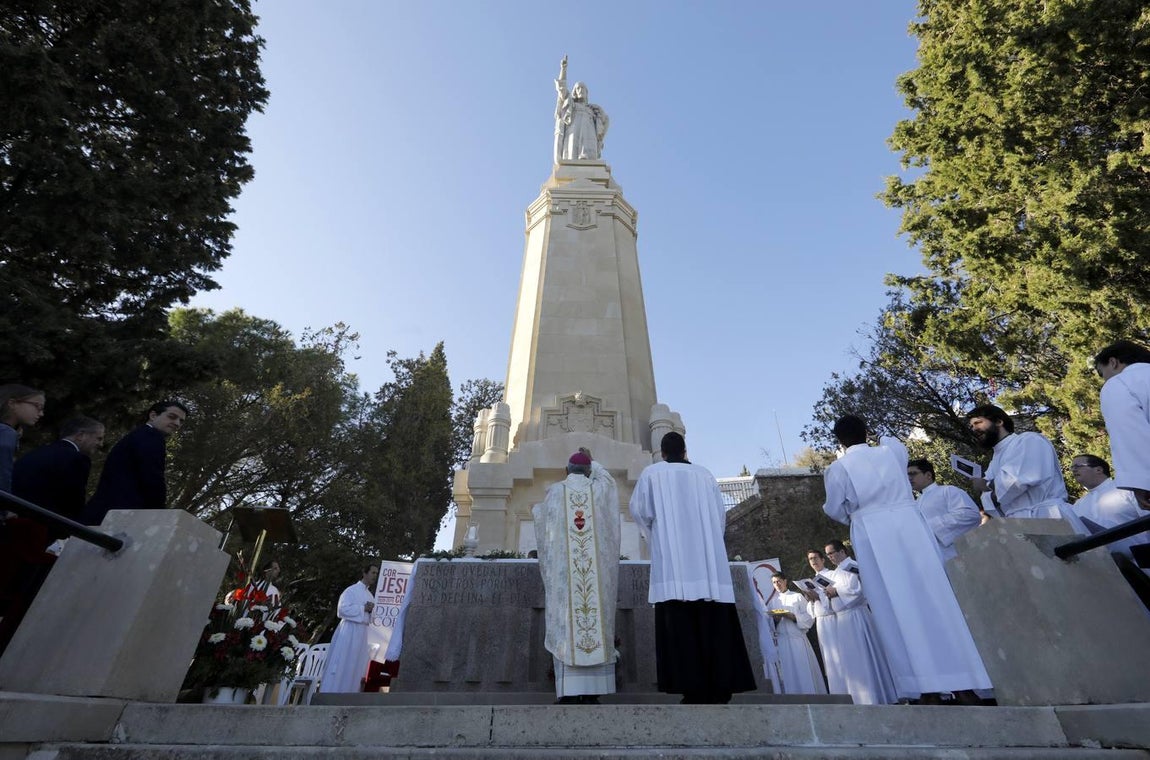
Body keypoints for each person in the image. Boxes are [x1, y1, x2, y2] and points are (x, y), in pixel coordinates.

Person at [822, 415, 990, 704]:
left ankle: (921, 686)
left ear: (839, 441)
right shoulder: (891, 452)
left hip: (872, 531)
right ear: (866, 432)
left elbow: (835, 508)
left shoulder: (838, 468)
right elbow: (895, 444)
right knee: (933, 596)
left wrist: (859, 512)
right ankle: (964, 679)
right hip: (909, 526)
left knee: (893, 606)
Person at [628, 431, 756, 704]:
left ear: (662, 453)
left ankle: (692, 688)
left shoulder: (652, 475)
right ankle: (722, 686)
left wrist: (654, 536)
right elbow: (719, 516)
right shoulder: (705, 475)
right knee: (714, 623)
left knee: (681, 626)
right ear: (685, 451)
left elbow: (640, 511)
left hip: (674, 565)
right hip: (708, 565)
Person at [532, 448, 620, 704]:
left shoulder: (557, 493)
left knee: (567, 623)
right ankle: (592, 693)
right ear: (589, 470)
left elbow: (541, 518)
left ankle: (569, 692)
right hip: (594, 576)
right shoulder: (599, 490)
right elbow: (609, 481)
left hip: (566, 581)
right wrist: (595, 461)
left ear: (566, 471)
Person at [801, 543, 897, 705]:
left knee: (862, 655)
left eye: (832, 553)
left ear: (842, 551)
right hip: (843, 619)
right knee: (851, 660)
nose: (831, 557)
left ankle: (873, 695)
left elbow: (858, 590)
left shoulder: (852, 566)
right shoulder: (837, 571)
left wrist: (836, 591)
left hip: (856, 615)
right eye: (829, 554)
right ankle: (859, 696)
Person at [965, 404, 1086, 534]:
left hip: (1047, 517)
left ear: (999, 421)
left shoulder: (1028, 440)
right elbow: (990, 499)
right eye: (971, 426)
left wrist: (986, 485)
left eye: (978, 423)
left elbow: (1016, 481)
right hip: (1017, 524)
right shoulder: (994, 461)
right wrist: (988, 488)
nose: (974, 429)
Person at [82, 400, 188, 526]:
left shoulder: (137, 435)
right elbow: (152, 477)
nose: (177, 423)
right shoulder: (151, 437)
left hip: (103, 510)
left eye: (181, 421)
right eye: (172, 417)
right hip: (120, 514)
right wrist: (157, 513)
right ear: (153, 415)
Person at [12, 416, 105, 537]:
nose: (101, 444)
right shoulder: (76, 459)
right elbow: (73, 499)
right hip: (39, 527)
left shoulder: (40, 452)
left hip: (17, 517)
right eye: (99, 438)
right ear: (81, 435)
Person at [1070, 454, 1150, 577]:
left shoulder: (1128, 490)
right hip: (1108, 573)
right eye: (1072, 467)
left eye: (1078, 466)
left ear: (1098, 469)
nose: (1074, 469)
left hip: (1144, 563)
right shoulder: (1077, 506)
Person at [1094, 341, 1150, 510]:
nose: (1104, 379)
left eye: (1101, 373)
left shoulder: (1120, 383)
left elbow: (1131, 435)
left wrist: (1142, 483)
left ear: (1113, 362)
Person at [319, 562, 379, 693]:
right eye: (373, 572)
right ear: (365, 573)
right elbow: (342, 610)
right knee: (341, 662)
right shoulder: (350, 590)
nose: (375, 576)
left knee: (355, 665)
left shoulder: (370, 596)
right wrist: (363, 608)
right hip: (348, 631)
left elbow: (371, 617)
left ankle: (349, 693)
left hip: (362, 633)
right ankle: (332, 692)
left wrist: (370, 611)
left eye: (376, 573)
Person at [907, 458, 982, 561]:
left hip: (953, 557)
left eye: (913, 473)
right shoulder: (915, 503)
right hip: (928, 560)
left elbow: (970, 515)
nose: (909, 478)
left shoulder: (948, 491)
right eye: (907, 475)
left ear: (928, 475)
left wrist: (929, 528)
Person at [766, 572, 826, 695]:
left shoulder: (797, 597)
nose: (777, 584)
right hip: (783, 643)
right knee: (788, 674)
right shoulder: (772, 602)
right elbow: (770, 625)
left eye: (779, 581)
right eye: (774, 582)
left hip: (798, 641)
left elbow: (809, 617)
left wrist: (793, 617)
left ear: (785, 581)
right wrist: (775, 621)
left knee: (803, 671)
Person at [553, 56, 609, 163]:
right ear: (574, 92)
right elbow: (562, 89)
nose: (581, 90)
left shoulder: (593, 110)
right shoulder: (571, 105)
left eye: (583, 88)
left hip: (589, 132)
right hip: (574, 129)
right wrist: (563, 69)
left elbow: (605, 122)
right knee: (572, 153)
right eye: (578, 88)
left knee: (590, 157)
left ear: (587, 93)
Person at [0, 385, 45, 494]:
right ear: (12, 403)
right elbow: (3, 480)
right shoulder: (6, 433)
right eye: (37, 406)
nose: (41, 413)